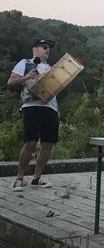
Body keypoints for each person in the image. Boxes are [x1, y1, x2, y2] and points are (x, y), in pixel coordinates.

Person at [8, 38, 59, 191]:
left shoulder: (52, 68)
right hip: (31, 106)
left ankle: (37, 178)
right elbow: (11, 81)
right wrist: (27, 77)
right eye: (44, 47)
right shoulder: (25, 63)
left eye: (49, 47)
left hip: (50, 108)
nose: (47, 50)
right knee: (30, 142)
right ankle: (19, 178)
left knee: (48, 144)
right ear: (35, 49)